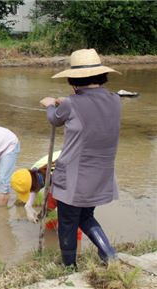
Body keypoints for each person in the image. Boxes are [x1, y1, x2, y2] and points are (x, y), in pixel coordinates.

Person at [39, 48, 121, 268]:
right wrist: (65, 101)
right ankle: (109, 254)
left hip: (74, 177)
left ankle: (69, 266)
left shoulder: (71, 104)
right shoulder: (115, 100)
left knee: (67, 221)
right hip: (101, 175)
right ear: (101, 76)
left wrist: (49, 104)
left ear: (74, 79)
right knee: (85, 217)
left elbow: (55, 120)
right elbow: (90, 106)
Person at [11, 151, 62, 223]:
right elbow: (34, 188)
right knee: (50, 204)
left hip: (73, 166)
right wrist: (28, 207)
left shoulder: (57, 174)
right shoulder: (32, 173)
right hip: (57, 176)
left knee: (66, 215)